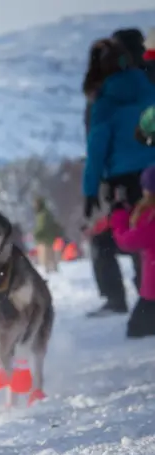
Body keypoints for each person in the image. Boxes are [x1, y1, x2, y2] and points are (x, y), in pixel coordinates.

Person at [83, 38, 155, 316]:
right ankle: (147, 294)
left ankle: (119, 299)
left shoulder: (105, 104)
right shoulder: (149, 91)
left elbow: (97, 151)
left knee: (119, 236)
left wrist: (90, 191)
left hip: (124, 182)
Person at [109, 166, 155, 338]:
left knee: (136, 331)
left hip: (153, 295)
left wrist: (119, 215)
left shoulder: (150, 218)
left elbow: (127, 241)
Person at [33, 197, 64, 273]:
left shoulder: (43, 215)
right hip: (50, 239)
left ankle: (53, 277)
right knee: (50, 261)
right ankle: (54, 275)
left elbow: (42, 227)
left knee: (46, 262)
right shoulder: (46, 213)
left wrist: (35, 234)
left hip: (45, 240)